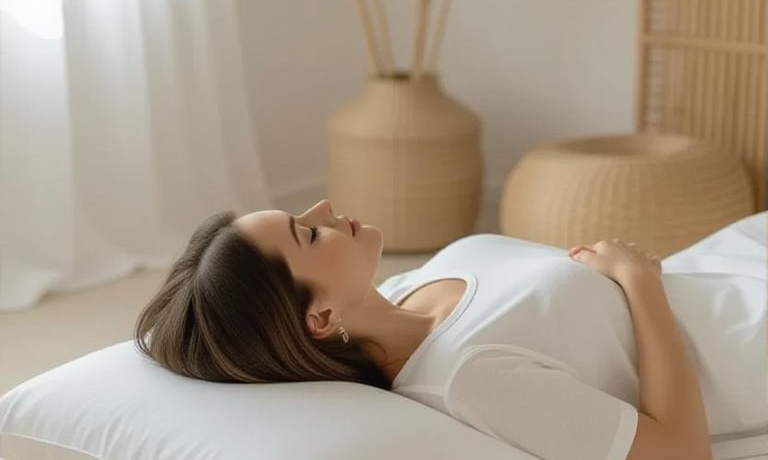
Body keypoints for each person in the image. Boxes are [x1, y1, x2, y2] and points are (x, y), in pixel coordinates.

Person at [135, 199, 766, 460]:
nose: (324, 208)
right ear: (320, 317)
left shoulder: (409, 288)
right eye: (307, 232)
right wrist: (640, 282)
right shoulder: (469, 377)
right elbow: (680, 454)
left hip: (732, 267)